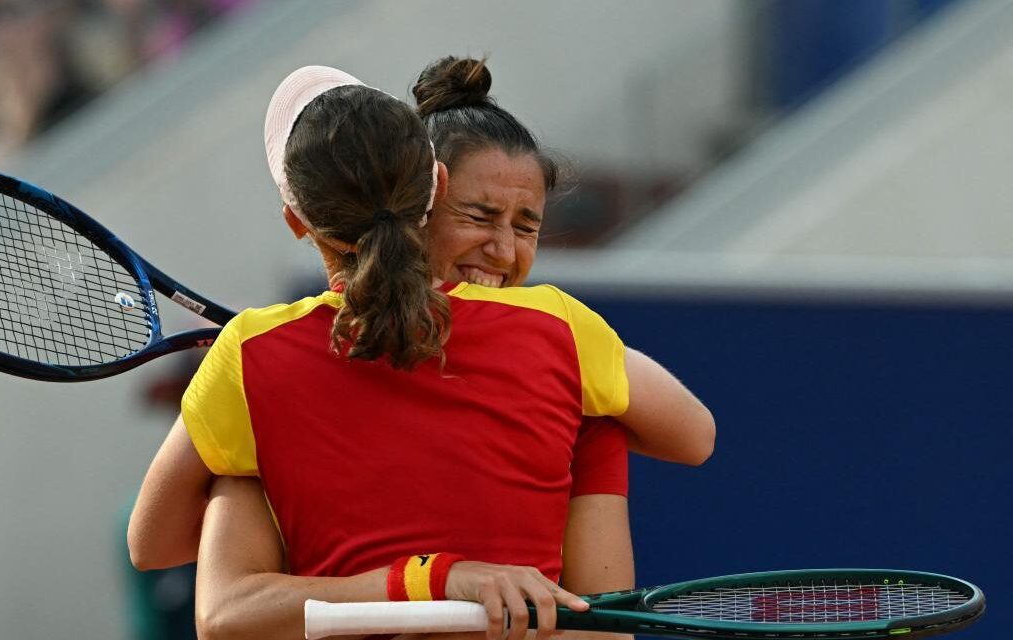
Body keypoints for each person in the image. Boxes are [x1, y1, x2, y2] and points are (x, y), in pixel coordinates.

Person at [130, 64, 714, 640]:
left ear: (296, 222)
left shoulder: (249, 354)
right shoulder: (559, 328)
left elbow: (152, 543)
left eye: (524, 225)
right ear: (434, 187)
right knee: (600, 426)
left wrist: (262, 424)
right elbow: (695, 435)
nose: (504, 248)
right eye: (479, 215)